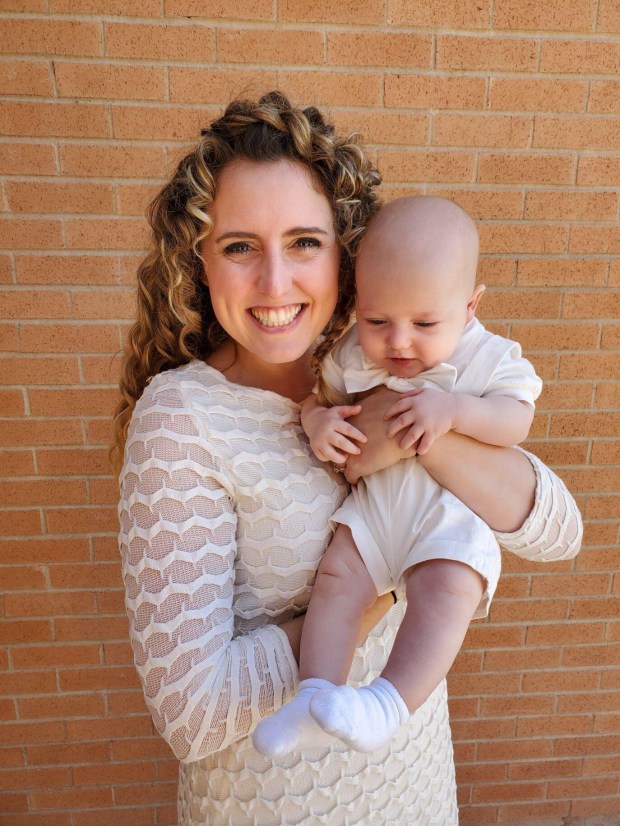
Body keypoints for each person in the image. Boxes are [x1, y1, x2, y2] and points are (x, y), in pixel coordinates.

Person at [113, 92, 583, 825]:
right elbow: (191, 714)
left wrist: (419, 428)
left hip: (415, 780)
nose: (275, 283)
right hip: (276, 806)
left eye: (305, 241)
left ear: (347, 254)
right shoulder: (183, 420)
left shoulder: (385, 354)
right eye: (239, 246)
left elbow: (561, 533)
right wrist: (379, 596)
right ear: (200, 261)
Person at [253, 195, 542, 758]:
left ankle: (388, 704)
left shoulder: (488, 355)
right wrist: (316, 420)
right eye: (377, 320)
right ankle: (313, 696)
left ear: (470, 305)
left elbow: (517, 418)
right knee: (336, 581)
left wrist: (455, 411)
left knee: (449, 588)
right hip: (375, 510)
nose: (399, 341)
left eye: (425, 323)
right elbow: (320, 397)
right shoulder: (354, 353)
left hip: (445, 517)